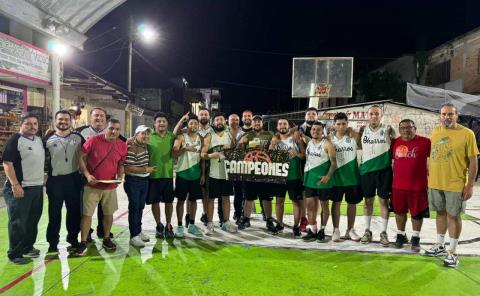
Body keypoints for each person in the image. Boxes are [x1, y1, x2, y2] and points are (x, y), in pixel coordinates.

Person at [425, 103, 478, 267]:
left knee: (453, 216)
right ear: (440, 116)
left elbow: (473, 160)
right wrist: (428, 177)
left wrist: (470, 185)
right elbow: (432, 156)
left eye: (450, 114)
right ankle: (440, 245)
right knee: (440, 213)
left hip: (455, 183)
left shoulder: (467, 134)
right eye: (443, 114)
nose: (447, 117)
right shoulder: (435, 132)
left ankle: (453, 252)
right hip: (436, 182)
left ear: (456, 115)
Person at [77, 118, 127, 255]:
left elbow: (121, 163)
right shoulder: (93, 140)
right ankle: (82, 242)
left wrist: (120, 176)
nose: (114, 131)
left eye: (117, 129)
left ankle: (106, 238)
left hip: (110, 186)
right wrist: (87, 175)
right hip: (92, 185)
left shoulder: (122, 145)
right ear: (106, 127)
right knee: (87, 214)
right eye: (111, 128)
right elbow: (80, 156)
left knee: (108, 213)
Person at [3, 113, 45, 264]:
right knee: (18, 222)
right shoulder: (15, 140)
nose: (32, 127)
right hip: (20, 188)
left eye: (35, 124)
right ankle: (14, 253)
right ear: (21, 124)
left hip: (37, 187)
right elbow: (7, 163)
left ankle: (28, 247)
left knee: (33, 219)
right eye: (28, 124)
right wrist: (15, 184)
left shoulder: (39, 140)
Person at [44, 110, 84, 254]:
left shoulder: (78, 137)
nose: (63, 122)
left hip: (73, 179)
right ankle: (52, 243)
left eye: (67, 119)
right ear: (55, 121)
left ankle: (73, 239)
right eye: (60, 119)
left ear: (71, 121)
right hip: (55, 181)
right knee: (54, 213)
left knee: (74, 213)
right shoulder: (47, 139)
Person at [356, 105, 395, 246]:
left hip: (384, 171)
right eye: (371, 114)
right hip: (366, 171)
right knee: (367, 202)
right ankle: (367, 231)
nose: (374, 116)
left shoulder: (388, 130)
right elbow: (357, 146)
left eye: (376, 114)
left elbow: (396, 144)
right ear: (367, 116)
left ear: (381, 115)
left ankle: (383, 232)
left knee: (384, 202)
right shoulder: (362, 130)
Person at [391, 119, 430, 251]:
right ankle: (401, 235)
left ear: (415, 128)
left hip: (418, 187)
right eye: (402, 128)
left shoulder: (425, 142)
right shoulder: (395, 142)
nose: (406, 130)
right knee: (399, 212)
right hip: (398, 186)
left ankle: (415, 238)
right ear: (399, 129)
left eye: (409, 127)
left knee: (417, 214)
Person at [237, 115, 278, 234]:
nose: (257, 123)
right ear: (252, 123)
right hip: (250, 171)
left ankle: (269, 220)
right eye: (255, 121)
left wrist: (274, 143)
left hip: (265, 170)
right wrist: (241, 143)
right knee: (249, 197)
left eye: (259, 121)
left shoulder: (270, 134)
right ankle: (246, 219)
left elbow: (275, 150)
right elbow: (238, 152)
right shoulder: (247, 135)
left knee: (266, 197)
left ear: (262, 123)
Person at [201, 113, 238, 234]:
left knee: (226, 198)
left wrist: (231, 148)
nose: (219, 122)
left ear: (225, 121)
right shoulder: (209, 136)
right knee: (211, 199)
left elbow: (236, 152)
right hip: (213, 173)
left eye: (221, 119)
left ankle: (226, 222)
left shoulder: (229, 135)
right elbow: (202, 154)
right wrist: (211, 155)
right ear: (213, 122)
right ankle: (210, 222)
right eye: (217, 120)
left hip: (227, 173)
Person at [302, 121, 337, 242]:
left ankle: (322, 230)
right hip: (310, 179)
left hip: (323, 180)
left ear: (323, 131)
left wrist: (328, 176)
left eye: (318, 130)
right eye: (313, 129)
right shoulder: (309, 142)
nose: (315, 131)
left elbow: (334, 163)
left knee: (324, 206)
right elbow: (296, 131)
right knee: (310, 206)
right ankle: (313, 230)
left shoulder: (327, 144)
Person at [270, 118, 306, 237]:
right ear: (277, 127)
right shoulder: (275, 140)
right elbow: (269, 155)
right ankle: (279, 224)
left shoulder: (296, 139)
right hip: (279, 176)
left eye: (285, 124)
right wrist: (272, 144)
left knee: (296, 202)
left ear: (288, 126)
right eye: (280, 124)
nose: (282, 126)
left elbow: (304, 156)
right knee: (279, 202)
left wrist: (297, 154)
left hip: (294, 176)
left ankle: (296, 226)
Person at [330, 112, 362, 242]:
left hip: (352, 177)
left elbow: (363, 141)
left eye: (344, 123)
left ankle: (350, 230)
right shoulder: (330, 139)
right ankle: (336, 230)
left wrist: (355, 132)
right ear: (334, 125)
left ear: (347, 124)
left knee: (352, 204)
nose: (341, 126)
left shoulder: (353, 136)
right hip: (336, 178)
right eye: (338, 124)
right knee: (336, 203)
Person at [124, 125, 155, 247]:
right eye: (143, 133)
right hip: (133, 181)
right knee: (134, 208)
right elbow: (127, 167)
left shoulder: (144, 145)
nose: (146, 136)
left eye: (147, 134)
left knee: (140, 207)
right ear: (136, 134)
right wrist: (145, 169)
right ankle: (134, 236)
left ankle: (138, 231)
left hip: (144, 181)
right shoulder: (132, 148)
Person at [173, 115, 204, 237]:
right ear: (188, 125)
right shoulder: (181, 137)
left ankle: (192, 224)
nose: (193, 126)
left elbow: (202, 158)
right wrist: (185, 148)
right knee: (180, 201)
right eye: (191, 123)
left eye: (195, 124)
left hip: (195, 175)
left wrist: (202, 175)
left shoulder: (200, 139)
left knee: (193, 201)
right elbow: (175, 152)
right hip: (182, 174)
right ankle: (180, 226)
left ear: (198, 125)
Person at [147, 112, 177, 239]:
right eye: (159, 121)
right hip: (153, 176)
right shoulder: (148, 136)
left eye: (164, 121)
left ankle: (168, 224)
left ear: (167, 124)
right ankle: (159, 225)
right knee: (155, 202)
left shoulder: (172, 136)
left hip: (168, 175)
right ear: (154, 124)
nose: (161, 123)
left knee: (169, 202)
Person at [296, 107, 318, 232]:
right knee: (304, 194)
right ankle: (304, 219)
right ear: (305, 116)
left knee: (316, 196)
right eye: (309, 114)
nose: (311, 115)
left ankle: (314, 220)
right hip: (303, 164)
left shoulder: (322, 128)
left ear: (316, 116)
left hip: (318, 165)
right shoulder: (299, 128)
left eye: (313, 114)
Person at [228, 113, 245, 222]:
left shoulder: (244, 134)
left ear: (239, 121)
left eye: (236, 119)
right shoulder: (222, 134)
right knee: (223, 194)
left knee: (239, 193)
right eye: (232, 119)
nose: (234, 121)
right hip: (224, 167)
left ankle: (238, 214)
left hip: (239, 167)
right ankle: (222, 217)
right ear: (228, 121)